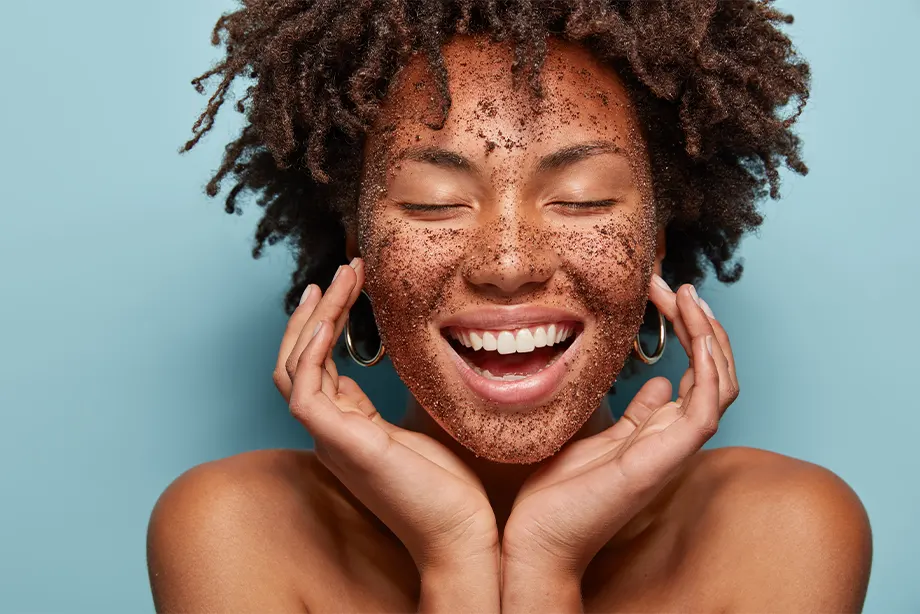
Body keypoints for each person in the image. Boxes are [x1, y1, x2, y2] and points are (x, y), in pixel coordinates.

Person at [146, 1, 872, 611]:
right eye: (434, 204)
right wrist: (455, 557)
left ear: (656, 243)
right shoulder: (230, 528)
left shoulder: (785, 530)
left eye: (582, 197)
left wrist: (545, 565)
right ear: (357, 249)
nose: (508, 264)